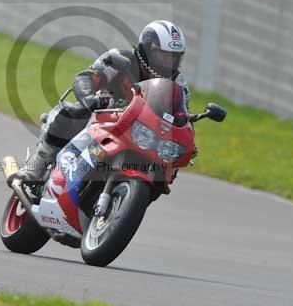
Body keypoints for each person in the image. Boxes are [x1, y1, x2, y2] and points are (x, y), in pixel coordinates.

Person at [10, 20, 189, 193]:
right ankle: (34, 170)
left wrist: (186, 132)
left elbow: (183, 114)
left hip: (139, 132)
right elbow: (86, 77)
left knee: (164, 168)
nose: (168, 63)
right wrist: (89, 98)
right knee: (71, 113)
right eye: (163, 56)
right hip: (102, 117)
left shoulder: (178, 83)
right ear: (146, 49)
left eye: (173, 58)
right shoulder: (121, 58)